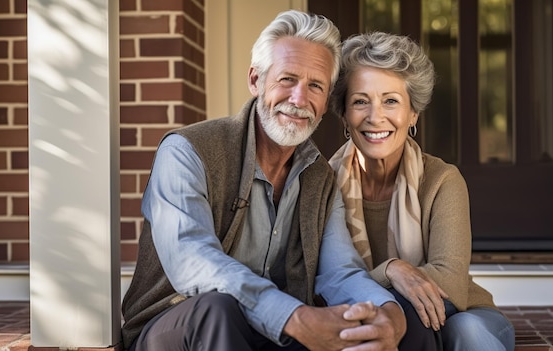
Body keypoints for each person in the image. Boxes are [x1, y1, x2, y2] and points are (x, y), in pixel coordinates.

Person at [120, 11, 408, 351]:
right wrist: (294, 317)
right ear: (256, 80)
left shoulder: (320, 177)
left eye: (315, 86)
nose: (300, 99)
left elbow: (339, 272)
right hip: (175, 326)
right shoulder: (187, 151)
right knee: (218, 308)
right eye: (287, 79)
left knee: (388, 329)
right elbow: (192, 260)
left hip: (272, 334)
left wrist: (390, 314)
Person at [328, 31, 516, 351]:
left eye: (391, 100)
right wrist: (391, 270)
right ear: (344, 115)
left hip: (460, 312)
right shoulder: (323, 186)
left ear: (413, 113)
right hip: (373, 319)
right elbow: (323, 283)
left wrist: (375, 283)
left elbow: (449, 280)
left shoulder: (442, 180)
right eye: (361, 101)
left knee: (466, 332)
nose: (376, 117)